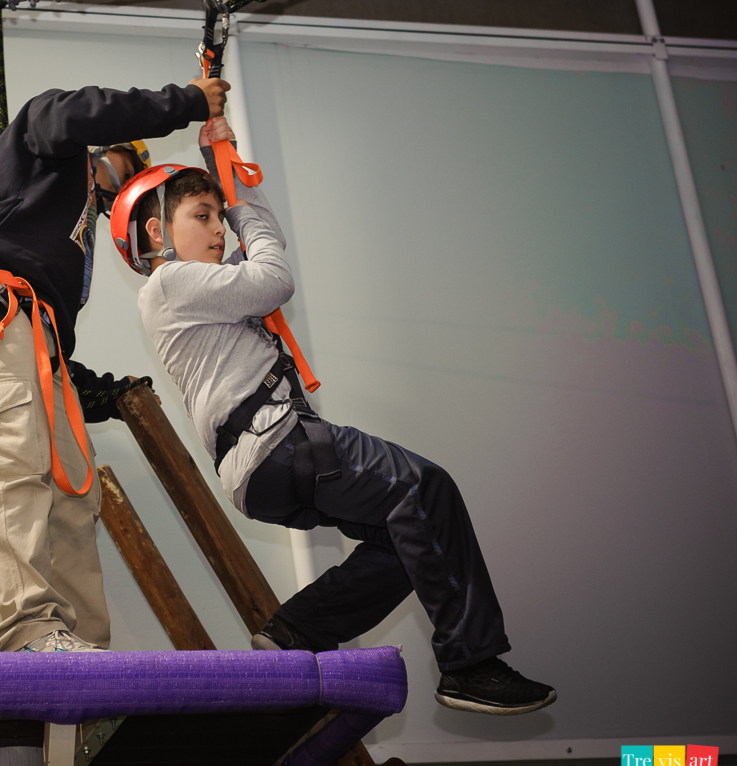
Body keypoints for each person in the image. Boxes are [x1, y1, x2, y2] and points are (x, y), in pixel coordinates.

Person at [110, 117, 556, 714]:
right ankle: (470, 663)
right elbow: (273, 276)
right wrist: (241, 213)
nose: (218, 228)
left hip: (266, 467)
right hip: (280, 445)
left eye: (218, 217)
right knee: (425, 489)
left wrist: (226, 165)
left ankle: (297, 634)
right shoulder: (169, 285)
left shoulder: (204, 290)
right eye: (202, 216)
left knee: (408, 543)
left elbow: (267, 248)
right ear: (155, 231)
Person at [0, 79, 229, 653]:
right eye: (117, 169)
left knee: (72, 493)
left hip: (26, 327)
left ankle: (84, 649)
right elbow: (77, 114)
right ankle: (30, 629)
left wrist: (103, 393)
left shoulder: (66, 244)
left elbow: (47, 350)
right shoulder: (45, 138)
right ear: (101, 145)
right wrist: (185, 104)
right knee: (14, 464)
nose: (111, 190)